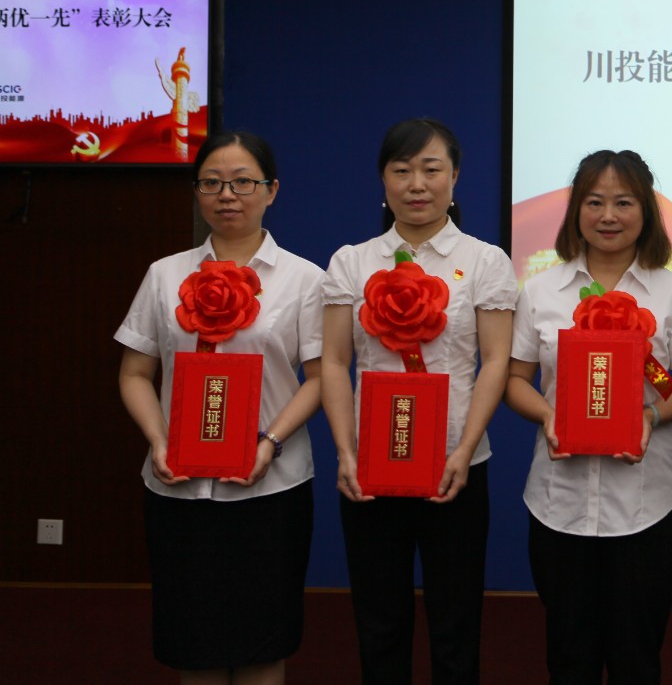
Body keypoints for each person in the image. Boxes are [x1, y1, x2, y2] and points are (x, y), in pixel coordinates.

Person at [115, 131, 325, 685]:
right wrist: (159, 440)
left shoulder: (305, 279)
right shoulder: (165, 274)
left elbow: (321, 379)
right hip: (178, 487)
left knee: (262, 642)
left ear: (272, 190)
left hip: (270, 485)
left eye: (242, 182)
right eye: (211, 183)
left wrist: (269, 442)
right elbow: (134, 373)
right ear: (196, 191)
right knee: (196, 645)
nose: (226, 195)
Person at [506, 149, 672, 685]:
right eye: (594, 202)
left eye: (623, 202)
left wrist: (651, 415)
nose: (608, 216)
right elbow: (514, 379)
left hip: (643, 504)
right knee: (568, 656)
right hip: (558, 502)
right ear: (576, 209)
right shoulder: (541, 291)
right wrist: (549, 415)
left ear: (646, 211)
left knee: (636, 658)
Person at [321, 118, 516, 684]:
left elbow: (495, 361)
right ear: (383, 180)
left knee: (456, 622)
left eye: (431, 169)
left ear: (454, 177)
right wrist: (346, 452)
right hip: (371, 467)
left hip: (456, 465)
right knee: (379, 620)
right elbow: (333, 361)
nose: (416, 184)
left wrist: (465, 449)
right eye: (401, 170)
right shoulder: (352, 262)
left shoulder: (484, 261)